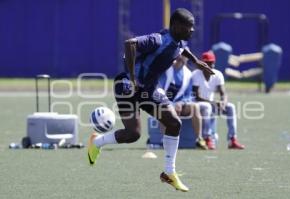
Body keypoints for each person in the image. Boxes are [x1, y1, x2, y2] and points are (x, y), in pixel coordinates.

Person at [87, 8, 214, 192]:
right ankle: (97, 142)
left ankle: (169, 173)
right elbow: (130, 43)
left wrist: (196, 61)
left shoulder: (179, 41)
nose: (192, 30)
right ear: (177, 26)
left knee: (174, 123)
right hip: (127, 86)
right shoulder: (158, 39)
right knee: (133, 135)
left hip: (149, 89)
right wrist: (132, 77)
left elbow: (181, 48)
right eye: (189, 27)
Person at [192, 51, 245, 150]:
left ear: (214, 63)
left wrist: (223, 102)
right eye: (206, 63)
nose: (209, 65)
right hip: (197, 104)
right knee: (208, 107)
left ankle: (232, 140)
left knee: (231, 107)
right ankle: (208, 138)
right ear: (202, 64)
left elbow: (223, 93)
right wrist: (214, 103)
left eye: (211, 62)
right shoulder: (196, 74)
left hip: (211, 103)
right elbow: (197, 96)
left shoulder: (218, 74)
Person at [158, 54, 207, 149]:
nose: (180, 58)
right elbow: (160, 89)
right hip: (165, 102)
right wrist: (170, 104)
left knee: (195, 107)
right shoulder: (166, 70)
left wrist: (181, 103)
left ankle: (199, 139)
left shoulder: (188, 74)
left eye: (183, 56)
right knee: (165, 110)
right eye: (179, 55)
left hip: (181, 106)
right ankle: (164, 140)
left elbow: (189, 95)